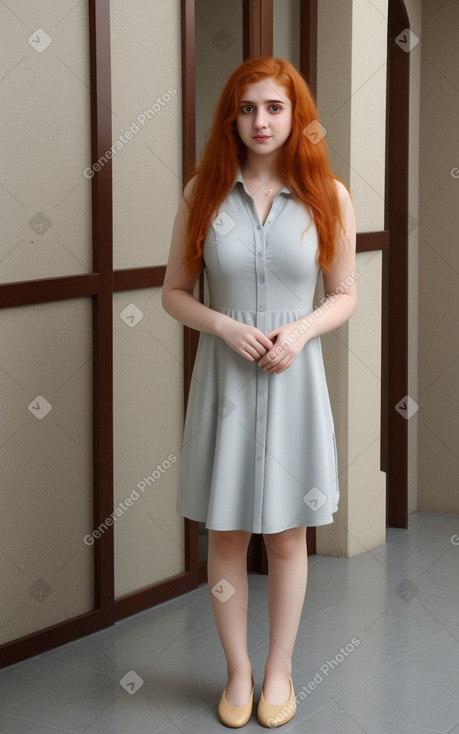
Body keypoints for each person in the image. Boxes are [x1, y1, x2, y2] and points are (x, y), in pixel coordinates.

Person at [162, 56, 356, 728]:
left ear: (296, 117)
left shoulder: (328, 194)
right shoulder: (202, 194)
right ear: (231, 118)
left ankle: (278, 670)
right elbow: (172, 294)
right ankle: (238, 674)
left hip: (294, 381)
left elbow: (344, 294)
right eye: (247, 108)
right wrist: (221, 325)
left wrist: (300, 331)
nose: (260, 121)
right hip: (225, 385)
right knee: (226, 532)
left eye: (274, 107)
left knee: (284, 536)